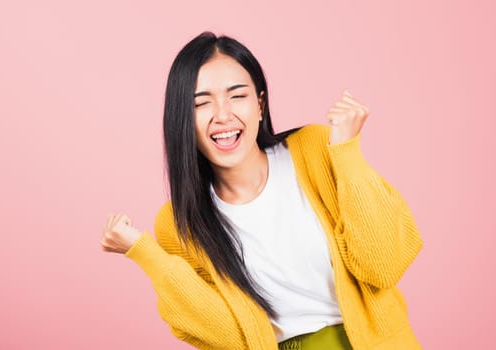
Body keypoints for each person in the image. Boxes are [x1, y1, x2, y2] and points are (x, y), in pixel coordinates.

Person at [100, 31, 424, 350]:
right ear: (182, 119)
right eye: (201, 103)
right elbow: (228, 337)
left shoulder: (315, 149)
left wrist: (347, 154)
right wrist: (145, 253)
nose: (223, 115)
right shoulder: (179, 222)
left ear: (260, 104)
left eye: (237, 96)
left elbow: (384, 265)